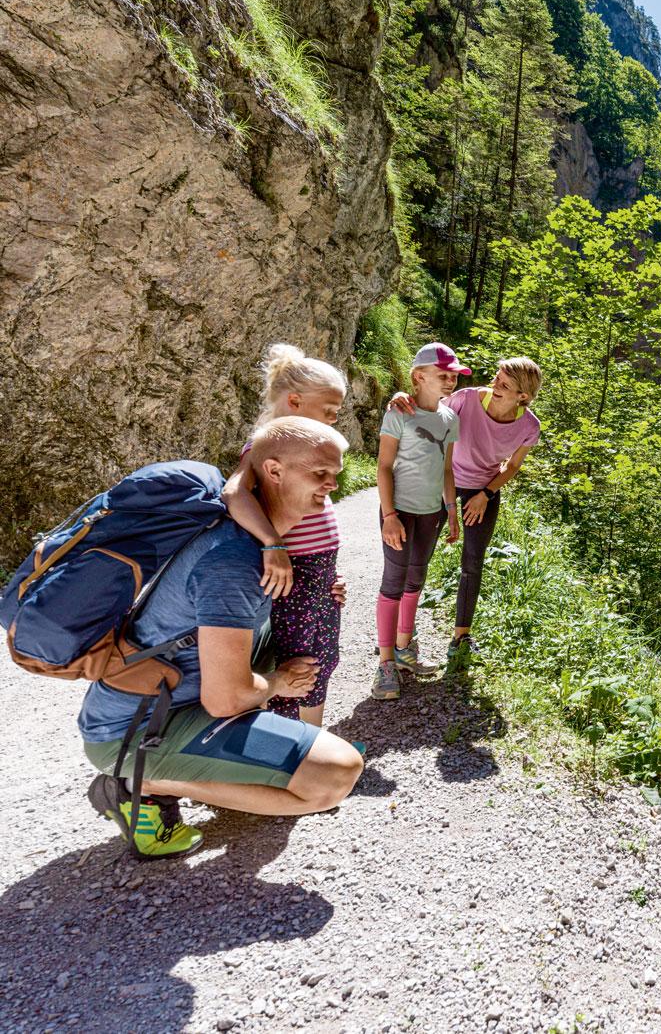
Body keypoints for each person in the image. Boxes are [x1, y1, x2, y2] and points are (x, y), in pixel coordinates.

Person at [81, 417, 364, 859]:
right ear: (273, 471)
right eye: (319, 473)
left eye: (336, 473)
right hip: (133, 732)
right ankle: (135, 782)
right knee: (334, 776)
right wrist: (278, 684)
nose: (332, 483)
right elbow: (227, 699)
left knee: (306, 641)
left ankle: (220, 765)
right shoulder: (234, 562)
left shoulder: (257, 540)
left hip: (173, 704)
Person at [222, 344, 347, 727]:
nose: (332, 421)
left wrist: (328, 577)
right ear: (294, 400)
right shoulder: (265, 444)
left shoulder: (307, 448)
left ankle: (313, 741)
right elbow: (234, 494)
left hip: (317, 575)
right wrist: (274, 544)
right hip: (293, 577)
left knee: (323, 659)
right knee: (295, 667)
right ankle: (285, 750)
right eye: (328, 412)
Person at [391, 358, 541, 662]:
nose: (495, 385)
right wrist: (402, 398)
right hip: (440, 479)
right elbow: (428, 410)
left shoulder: (529, 426)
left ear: (522, 396)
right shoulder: (467, 398)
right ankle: (404, 631)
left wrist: (486, 494)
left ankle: (461, 637)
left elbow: (512, 466)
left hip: (483, 490)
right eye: (497, 378)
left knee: (473, 562)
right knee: (421, 554)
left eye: (505, 385)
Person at [372, 342, 464, 700]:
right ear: (418, 377)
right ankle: (384, 665)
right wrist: (390, 516)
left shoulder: (450, 418)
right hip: (400, 511)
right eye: (442, 375)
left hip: (432, 513)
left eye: (453, 376)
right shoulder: (399, 413)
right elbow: (382, 467)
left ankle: (404, 649)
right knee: (393, 580)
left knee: (416, 578)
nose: (449, 381)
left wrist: (451, 511)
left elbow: (445, 468)